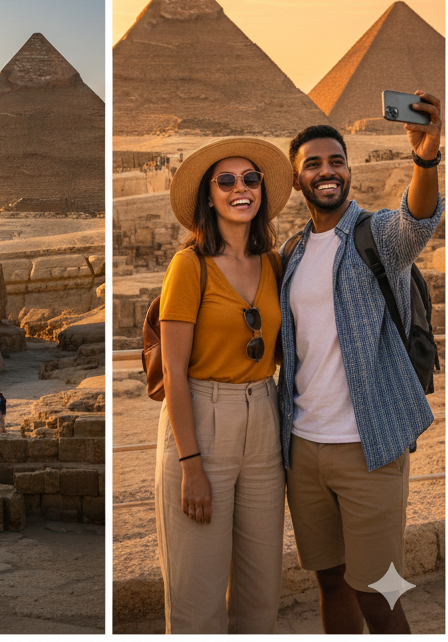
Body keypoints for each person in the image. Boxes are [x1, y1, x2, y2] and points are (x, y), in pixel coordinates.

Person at [279, 100, 443, 634]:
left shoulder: (377, 237)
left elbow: (418, 219)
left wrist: (426, 159)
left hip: (370, 446)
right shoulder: (292, 253)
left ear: (348, 169)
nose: (327, 171)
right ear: (297, 177)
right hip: (303, 448)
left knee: (381, 590)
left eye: (336, 161)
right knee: (330, 582)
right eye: (313, 164)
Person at [155, 138, 292, 633]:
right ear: (208, 197)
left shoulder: (275, 264)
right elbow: (173, 370)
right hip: (203, 419)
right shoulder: (188, 266)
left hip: (264, 417)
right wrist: (191, 463)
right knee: (198, 595)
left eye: (251, 179)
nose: (241, 189)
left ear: (262, 191)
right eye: (227, 180)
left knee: (261, 592)